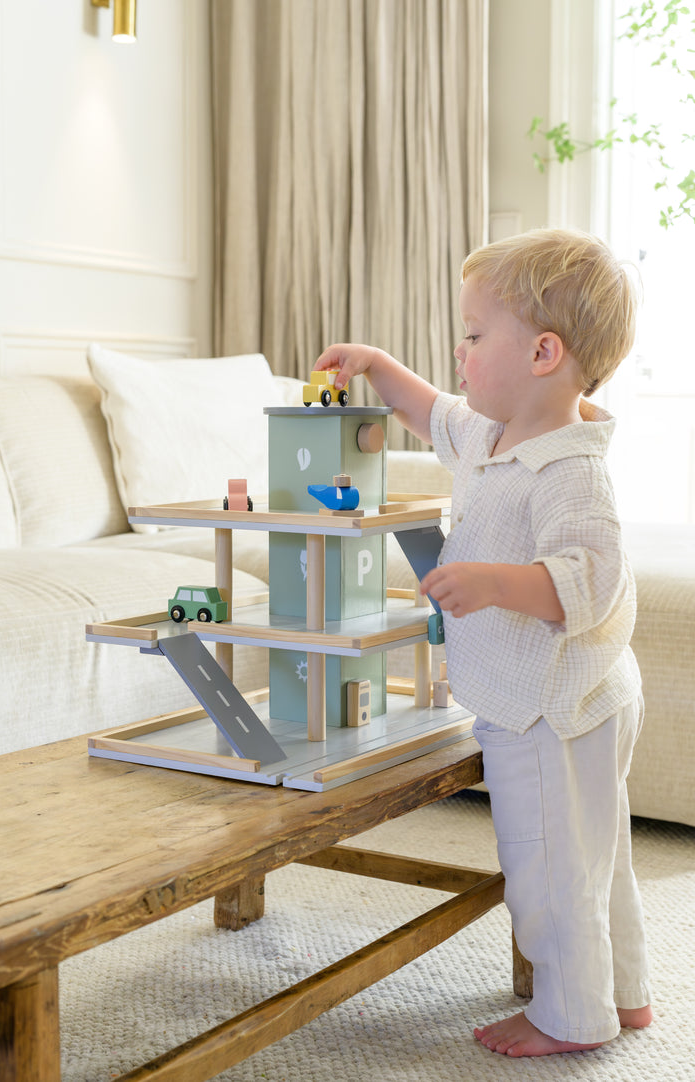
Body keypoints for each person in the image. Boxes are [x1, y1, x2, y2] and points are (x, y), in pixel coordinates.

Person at [314, 228, 653, 1057]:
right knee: (596, 852)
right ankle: (627, 991)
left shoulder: (568, 468)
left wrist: (498, 582)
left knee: (546, 865)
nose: (459, 352)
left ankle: (571, 1017)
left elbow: (590, 577)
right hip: (579, 692)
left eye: (473, 336)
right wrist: (376, 364)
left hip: (547, 707)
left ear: (543, 352)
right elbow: (431, 409)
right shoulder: (495, 431)